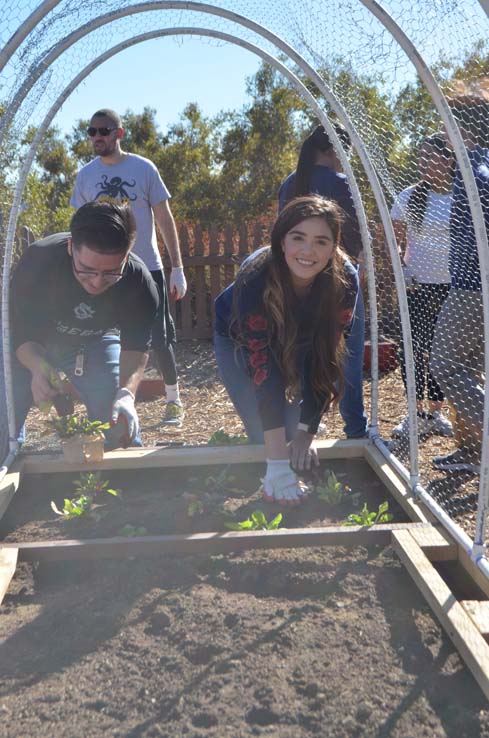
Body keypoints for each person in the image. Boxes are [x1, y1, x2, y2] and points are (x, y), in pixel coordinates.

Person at [214, 196, 359, 504]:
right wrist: (278, 464)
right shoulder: (254, 280)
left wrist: (308, 431)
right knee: (263, 432)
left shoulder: (344, 281)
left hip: (303, 334)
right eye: (298, 238)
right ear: (282, 241)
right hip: (237, 339)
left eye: (321, 241)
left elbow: (326, 359)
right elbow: (265, 374)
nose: (308, 251)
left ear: (334, 248)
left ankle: (287, 457)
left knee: (296, 432)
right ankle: (274, 475)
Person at [3, 201, 159, 460]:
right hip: (30, 342)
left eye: (111, 273)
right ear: (70, 247)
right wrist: (37, 368)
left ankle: (131, 489)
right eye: (86, 270)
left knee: (117, 421)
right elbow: (19, 334)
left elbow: (136, 346)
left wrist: (126, 393)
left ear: (127, 255)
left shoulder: (139, 282)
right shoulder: (38, 262)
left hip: (95, 340)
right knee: (3, 419)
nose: (97, 282)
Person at [71, 108, 186, 427]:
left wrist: (177, 267)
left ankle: (174, 400)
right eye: (92, 131)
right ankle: (103, 405)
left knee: (160, 338)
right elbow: (78, 227)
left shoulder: (143, 168)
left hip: (146, 268)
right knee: (99, 335)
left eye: (104, 131)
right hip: (105, 273)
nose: (97, 137)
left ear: (119, 134)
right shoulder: (86, 176)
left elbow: (164, 218)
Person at [279, 123, 367, 439]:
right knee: (348, 354)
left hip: (296, 279)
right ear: (334, 151)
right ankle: (355, 428)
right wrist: (360, 267)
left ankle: (299, 424)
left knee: (302, 348)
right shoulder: (342, 183)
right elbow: (357, 239)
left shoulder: (290, 183)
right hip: (337, 278)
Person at [429, 81, 489, 474]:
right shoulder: (476, 162)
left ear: (460, 128)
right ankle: (473, 453)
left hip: (472, 287)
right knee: (473, 368)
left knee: (445, 366)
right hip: (472, 284)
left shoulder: (474, 168)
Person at [390, 133, 454, 440]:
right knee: (413, 351)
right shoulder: (408, 197)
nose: (423, 163)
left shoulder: (464, 196)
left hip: (453, 287)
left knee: (443, 354)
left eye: (430, 156)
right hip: (416, 286)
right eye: (421, 156)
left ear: (448, 160)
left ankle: (435, 413)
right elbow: (392, 241)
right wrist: (402, 271)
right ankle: (414, 415)